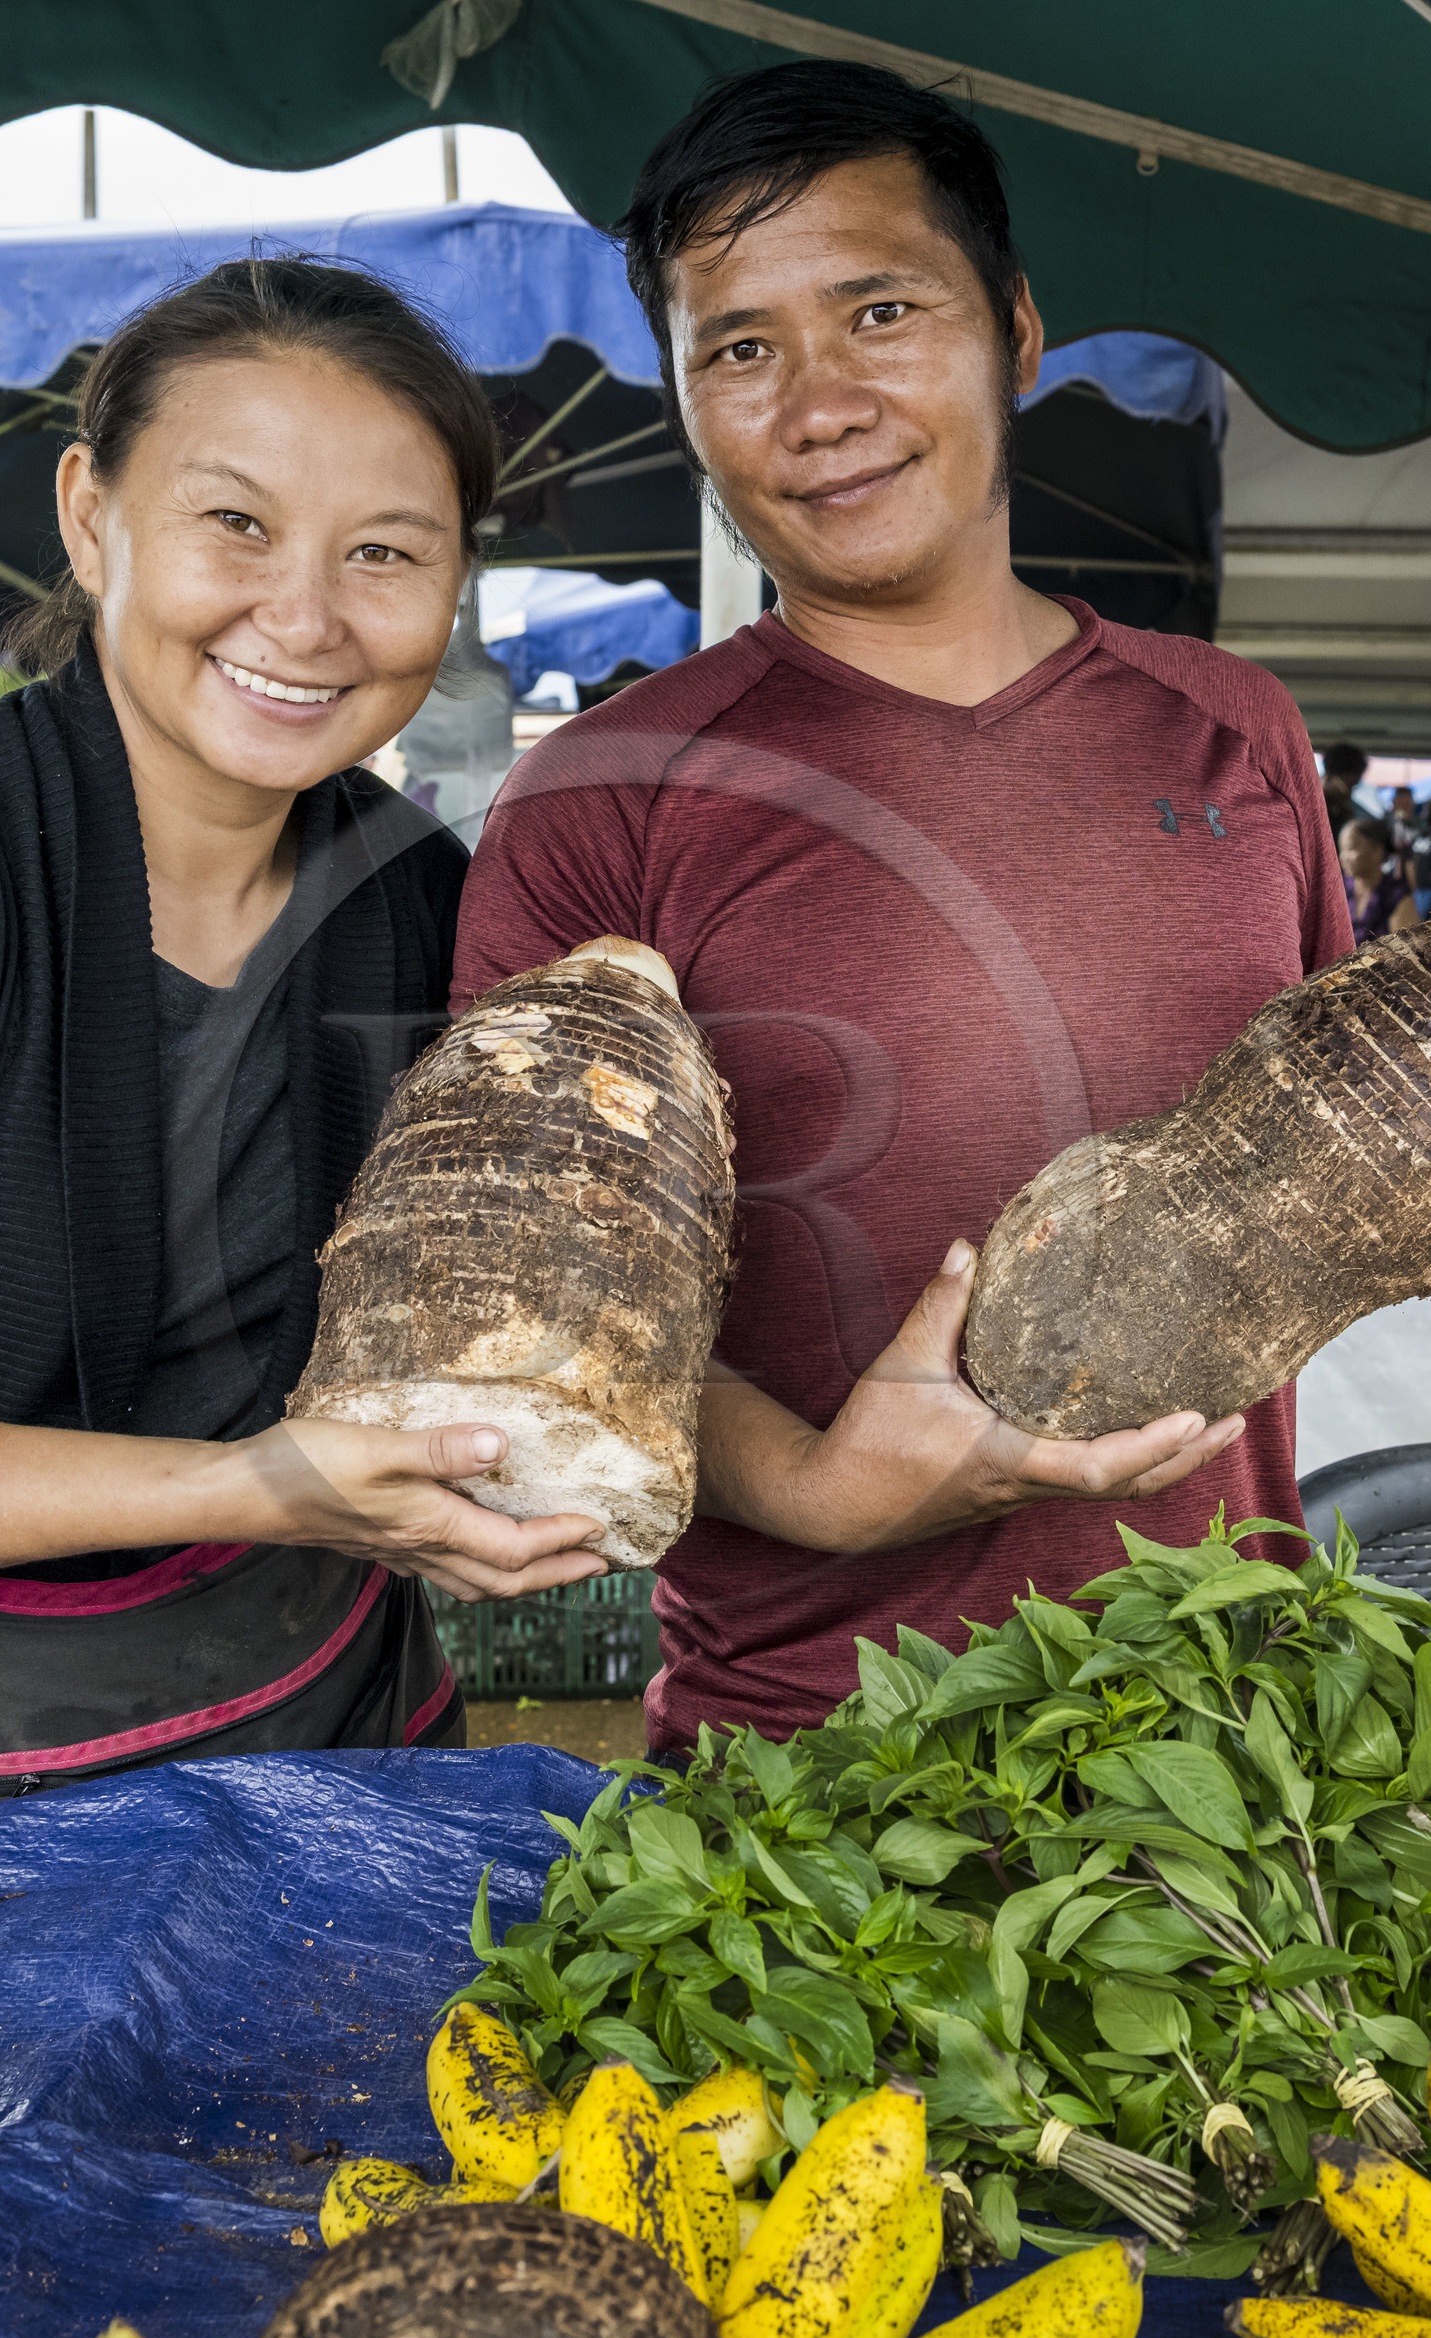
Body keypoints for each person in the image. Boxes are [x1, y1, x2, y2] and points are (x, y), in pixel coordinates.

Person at [452, 62, 1353, 1757]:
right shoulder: (601, 794)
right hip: (805, 1775)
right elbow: (543, 1313)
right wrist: (816, 1486)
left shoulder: (1241, 729)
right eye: (739, 347)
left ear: (1014, 331)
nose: (818, 402)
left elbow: (1339, 1174)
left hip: (1234, 1745)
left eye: (880, 310)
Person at [0, 257, 605, 1832]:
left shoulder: (423, 904)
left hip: (319, 1740)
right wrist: (261, 1489)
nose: (305, 617)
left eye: (385, 552)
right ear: (91, 512)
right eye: (234, 523)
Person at [1339, 815, 1417, 942]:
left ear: (1377, 851)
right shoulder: (1340, 888)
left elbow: (1408, 952)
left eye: (1351, 848)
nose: (1344, 857)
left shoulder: (1397, 896)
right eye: (1342, 849)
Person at [1321, 742, 1368, 845]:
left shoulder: (1345, 814)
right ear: (1330, 776)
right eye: (1347, 785)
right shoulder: (1307, 810)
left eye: (1354, 787)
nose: (1349, 793)